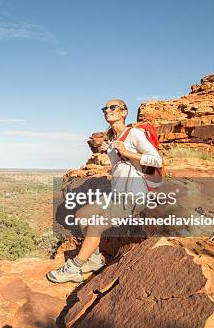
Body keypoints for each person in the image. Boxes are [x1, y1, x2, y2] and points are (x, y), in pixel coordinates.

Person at [46, 99, 163, 283]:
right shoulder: (112, 139)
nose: (107, 110)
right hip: (117, 194)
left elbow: (157, 160)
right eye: (105, 108)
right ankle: (93, 260)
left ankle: (74, 268)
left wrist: (127, 152)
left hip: (133, 195)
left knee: (96, 225)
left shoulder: (134, 134)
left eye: (113, 107)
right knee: (82, 214)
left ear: (124, 112)